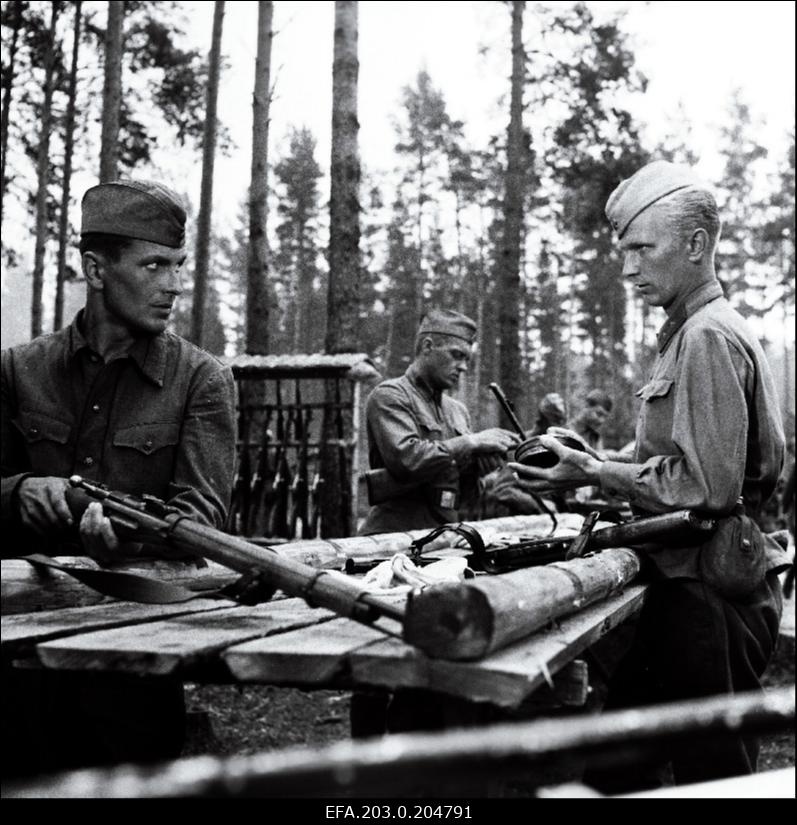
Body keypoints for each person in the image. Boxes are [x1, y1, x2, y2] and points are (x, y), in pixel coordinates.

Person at [509, 160, 790, 791]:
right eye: (624, 252)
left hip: (707, 596)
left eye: (643, 249)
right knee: (621, 767)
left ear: (695, 245)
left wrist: (595, 470)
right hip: (688, 586)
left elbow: (708, 488)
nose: (628, 269)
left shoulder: (706, 337)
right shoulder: (693, 332)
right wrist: (594, 465)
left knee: (712, 780)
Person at [1, 179, 236, 776]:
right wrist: (22, 491)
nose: (173, 285)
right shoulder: (19, 370)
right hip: (20, 664)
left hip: (132, 661)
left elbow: (203, 516)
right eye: (155, 265)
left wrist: (127, 541)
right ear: (96, 270)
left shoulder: (200, 380)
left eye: (178, 266)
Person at [358, 308, 519, 535]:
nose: (463, 367)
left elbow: (463, 497)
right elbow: (407, 460)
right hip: (393, 536)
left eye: (467, 359)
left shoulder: (458, 411)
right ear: (428, 347)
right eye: (457, 355)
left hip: (444, 534)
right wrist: (470, 443)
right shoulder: (390, 396)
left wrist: (480, 468)